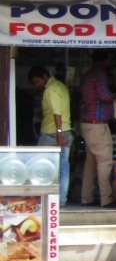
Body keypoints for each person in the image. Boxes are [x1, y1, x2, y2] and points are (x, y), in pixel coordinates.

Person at [79, 51, 116, 208]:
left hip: (87, 123)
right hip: (98, 124)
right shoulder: (99, 73)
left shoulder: (86, 75)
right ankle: (106, 198)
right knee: (105, 162)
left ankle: (86, 197)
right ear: (104, 61)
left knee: (90, 163)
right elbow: (104, 95)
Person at [28, 65, 72, 206]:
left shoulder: (50, 90)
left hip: (51, 133)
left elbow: (56, 113)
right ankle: (61, 200)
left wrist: (58, 133)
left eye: (37, 81)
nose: (37, 85)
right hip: (66, 131)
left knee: (39, 164)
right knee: (63, 167)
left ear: (45, 76)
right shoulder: (62, 87)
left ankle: (41, 198)